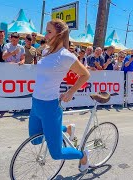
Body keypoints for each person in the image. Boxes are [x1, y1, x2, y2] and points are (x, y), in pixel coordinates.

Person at [29, 19, 90, 173]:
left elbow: (85, 74)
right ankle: (65, 129)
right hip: (36, 103)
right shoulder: (45, 51)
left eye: (49, 31)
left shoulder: (66, 56)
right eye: (46, 31)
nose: (45, 34)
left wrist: (71, 91)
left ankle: (83, 155)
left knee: (56, 153)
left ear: (60, 34)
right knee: (35, 139)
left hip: (50, 106)